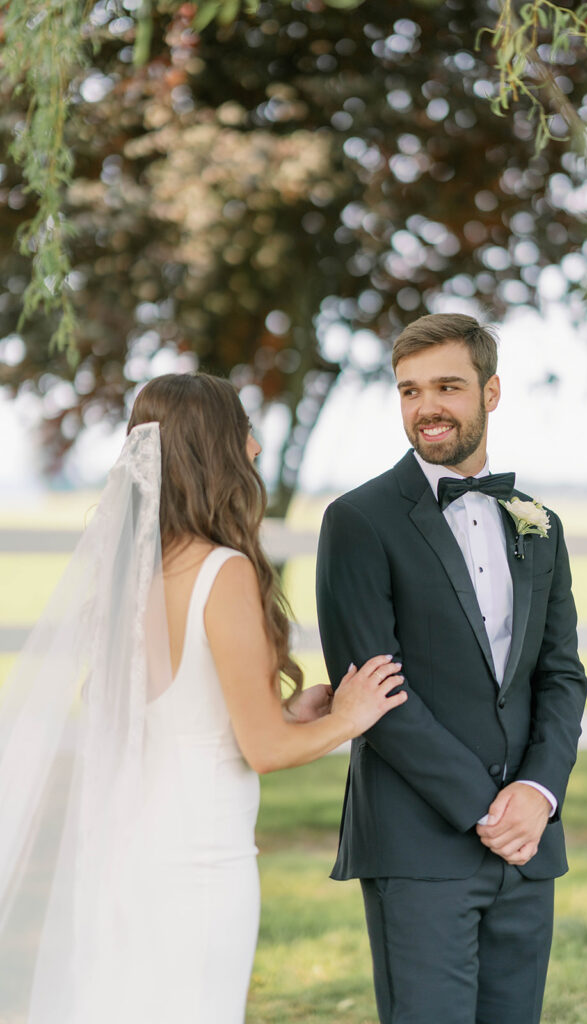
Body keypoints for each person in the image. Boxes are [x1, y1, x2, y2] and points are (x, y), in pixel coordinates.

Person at [0, 372, 406, 1024]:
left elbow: (184, 714)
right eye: (242, 430)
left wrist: (283, 712)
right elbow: (266, 752)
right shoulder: (222, 571)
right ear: (216, 448)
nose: (254, 446)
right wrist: (350, 717)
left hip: (129, 851)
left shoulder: (131, 572)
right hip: (198, 860)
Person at [316, 313, 587, 1024]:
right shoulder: (358, 520)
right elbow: (372, 689)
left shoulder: (538, 522)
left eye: (446, 386)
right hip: (418, 843)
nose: (425, 407)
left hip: (527, 842)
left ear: (489, 393)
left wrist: (535, 793)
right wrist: (484, 809)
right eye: (408, 391)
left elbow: (560, 675)